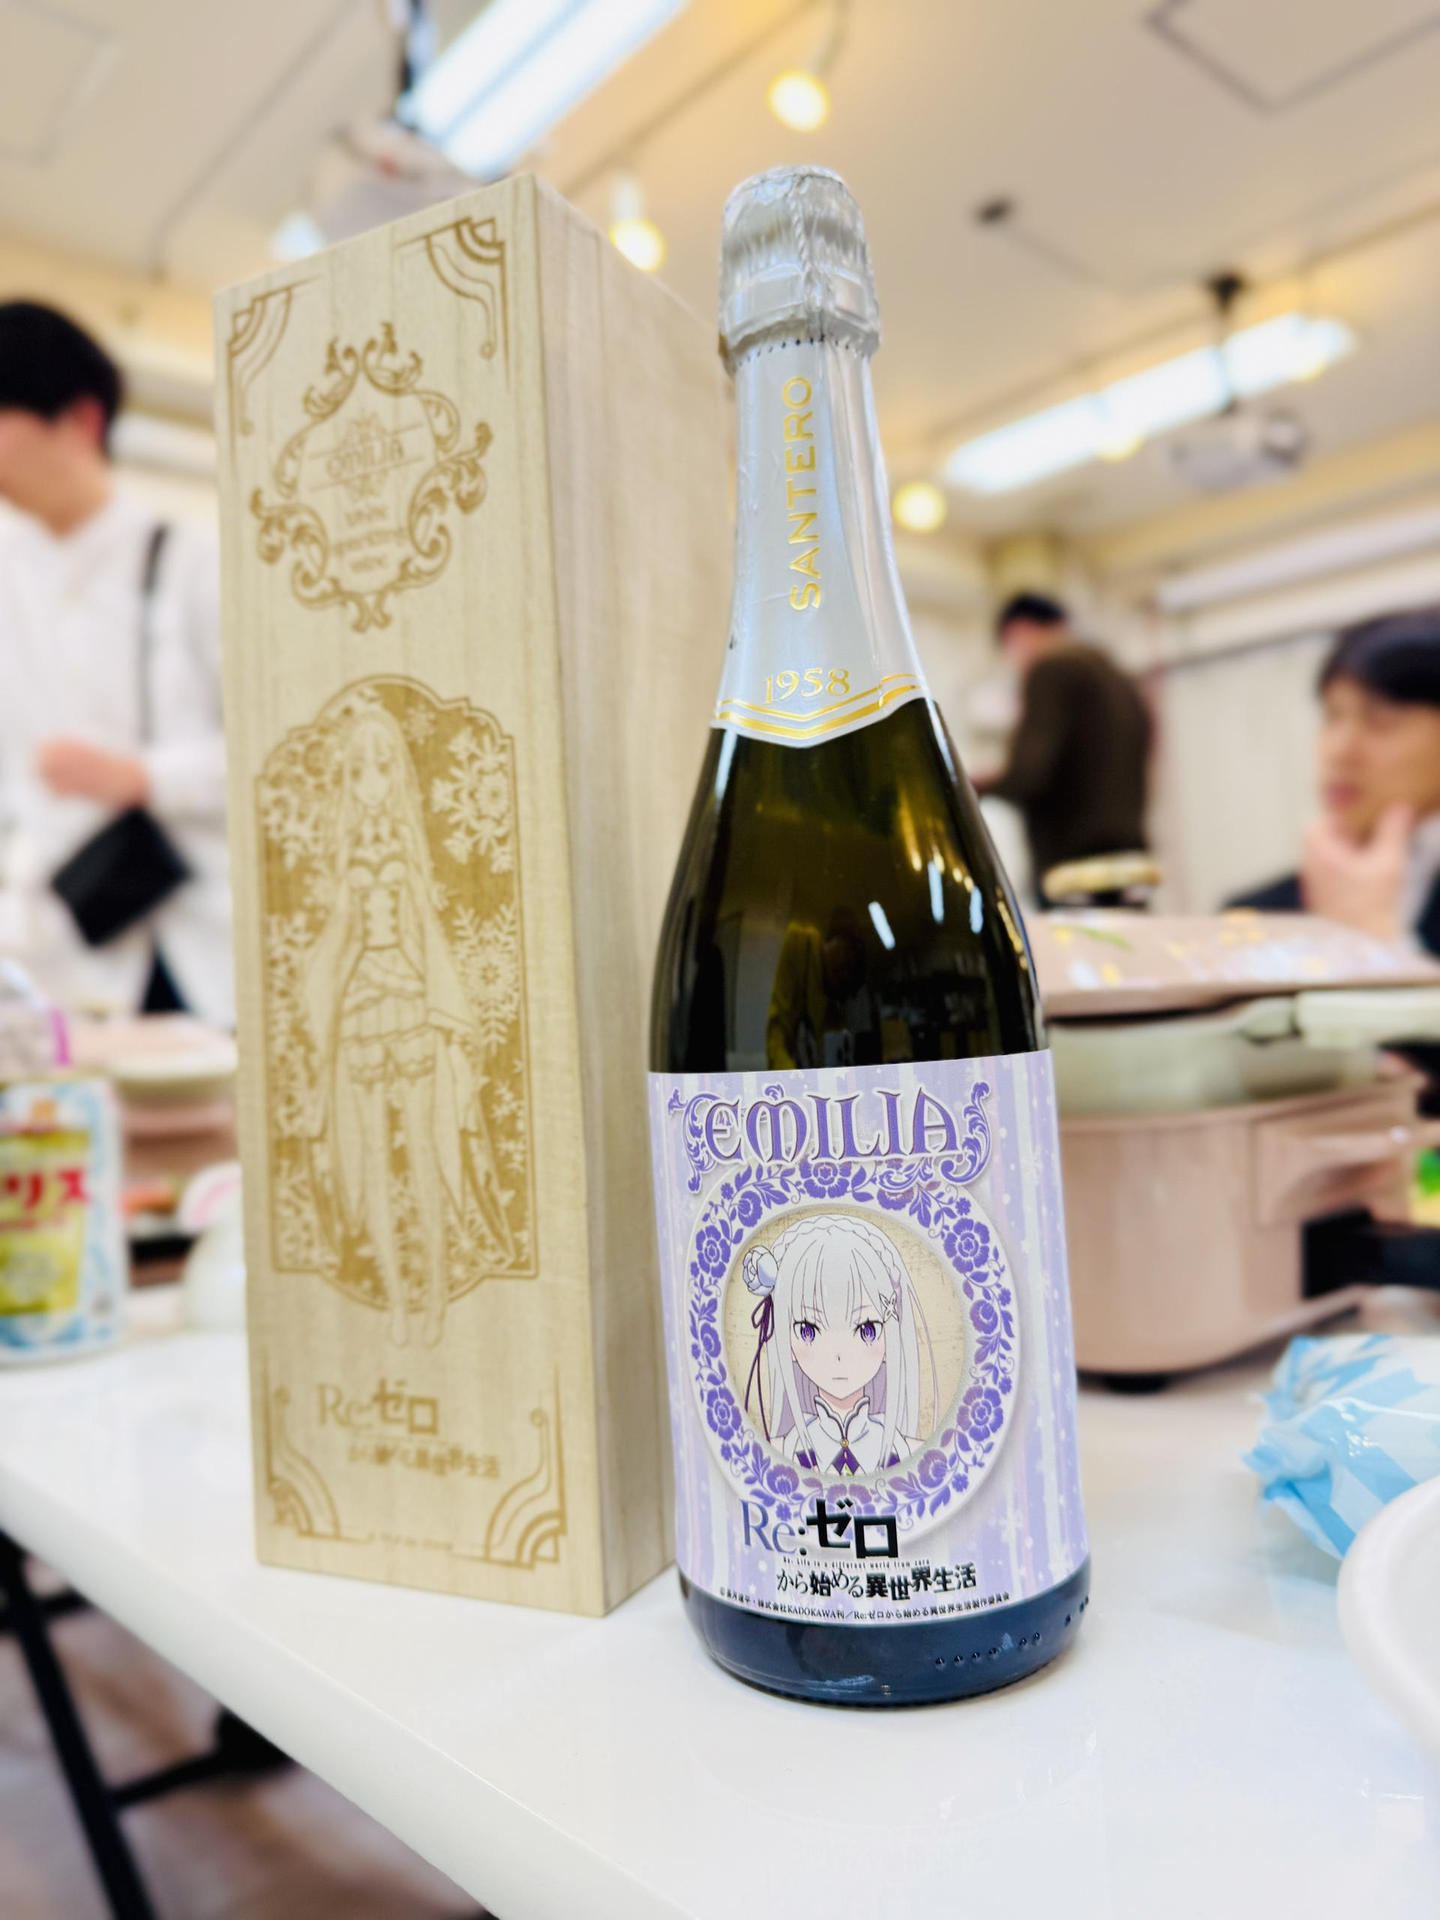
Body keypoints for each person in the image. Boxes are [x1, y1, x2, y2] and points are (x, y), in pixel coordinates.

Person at [0, 301, 232, 1023]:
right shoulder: (9, 583)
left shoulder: (195, 562)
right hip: (62, 951)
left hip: (206, 943)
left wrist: (142, 777)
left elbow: (287, 752)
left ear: (81, 419)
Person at [1232, 610, 1440, 954]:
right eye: (1332, 716)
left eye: (1381, 721)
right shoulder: (1253, 918)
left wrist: (1373, 939)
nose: (1340, 750)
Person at [978, 591, 1151, 900]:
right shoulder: (1117, 674)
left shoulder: (1050, 670)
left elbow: (1029, 773)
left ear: (1018, 632)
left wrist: (969, 784)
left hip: (1074, 866)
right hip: (1128, 858)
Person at [740, 1214, 936, 1473]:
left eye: (867, 1330)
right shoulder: (777, 1451)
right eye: (808, 1331)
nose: (839, 1355)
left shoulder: (910, 1452)